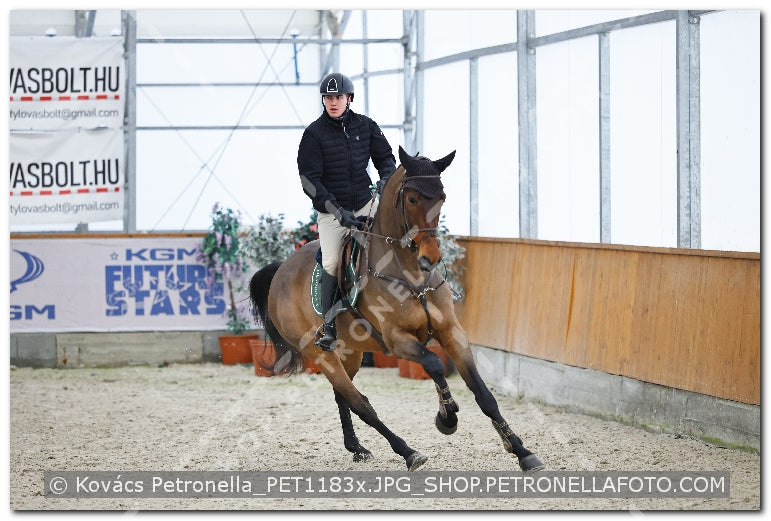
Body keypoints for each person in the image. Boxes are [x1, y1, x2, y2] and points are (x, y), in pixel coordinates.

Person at [297, 72, 397, 351]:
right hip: (332, 212)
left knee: (397, 239)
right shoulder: (313, 134)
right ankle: (329, 327)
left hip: (367, 201)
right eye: (328, 97)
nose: (333, 102)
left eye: (338, 97)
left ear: (349, 99)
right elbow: (309, 181)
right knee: (330, 262)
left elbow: (386, 159)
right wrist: (338, 212)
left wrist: (386, 180)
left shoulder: (366, 126)